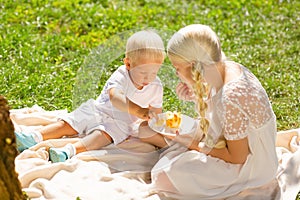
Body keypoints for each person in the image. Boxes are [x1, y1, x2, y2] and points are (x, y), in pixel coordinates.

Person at [139, 24, 279, 199]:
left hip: (251, 167)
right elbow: (219, 108)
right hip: (233, 144)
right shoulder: (227, 67)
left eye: (177, 68)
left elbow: (237, 158)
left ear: (193, 66)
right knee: (174, 150)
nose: (175, 73)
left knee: (162, 177)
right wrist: (195, 91)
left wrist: (193, 145)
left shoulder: (232, 96)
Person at [15, 29, 165, 163]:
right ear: (128, 64)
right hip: (97, 110)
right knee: (68, 124)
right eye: (143, 73)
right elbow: (115, 97)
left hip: (119, 123)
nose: (148, 78)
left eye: (154, 72)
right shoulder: (121, 75)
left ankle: (67, 151)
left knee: (100, 138)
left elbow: (156, 112)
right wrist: (139, 111)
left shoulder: (156, 86)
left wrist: (157, 120)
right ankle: (33, 137)